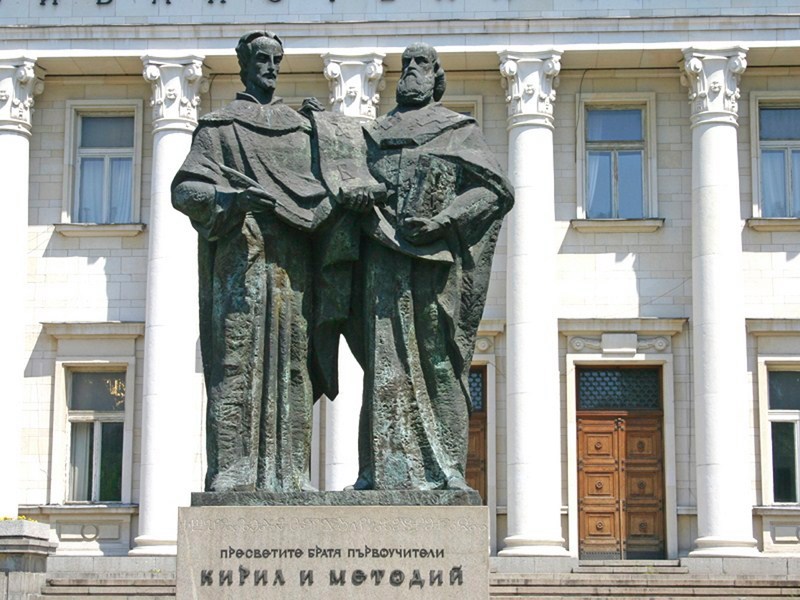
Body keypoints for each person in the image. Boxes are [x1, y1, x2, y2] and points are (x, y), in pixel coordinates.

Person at [172, 31, 336, 493]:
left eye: (275, 59)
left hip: (294, 264)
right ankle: (233, 471)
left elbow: (332, 186)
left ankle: (293, 475)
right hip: (241, 258)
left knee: (293, 365)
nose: (269, 66)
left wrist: (328, 130)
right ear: (243, 65)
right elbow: (185, 190)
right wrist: (231, 199)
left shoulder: (300, 128)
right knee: (236, 360)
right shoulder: (219, 128)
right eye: (260, 58)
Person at [347, 42, 514, 491]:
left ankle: (448, 470)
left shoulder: (458, 130)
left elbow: (494, 191)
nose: (411, 72)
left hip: (435, 265)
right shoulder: (374, 134)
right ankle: (376, 472)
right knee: (383, 363)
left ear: (436, 76)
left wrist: (444, 220)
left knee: (439, 361)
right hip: (381, 259)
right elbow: (351, 184)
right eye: (406, 65)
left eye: (421, 65)